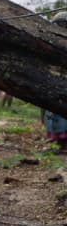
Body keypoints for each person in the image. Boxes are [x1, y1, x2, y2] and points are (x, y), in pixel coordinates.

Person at [43, 12, 67, 154]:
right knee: (53, 112)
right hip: (54, 79)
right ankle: (58, 140)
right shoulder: (51, 39)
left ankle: (64, 143)